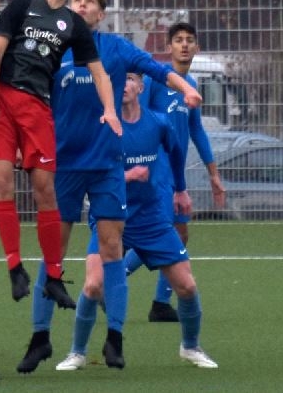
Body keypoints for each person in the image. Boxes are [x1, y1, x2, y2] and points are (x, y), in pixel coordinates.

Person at [16, 0, 203, 373]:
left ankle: (114, 339)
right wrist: (22, 144)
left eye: (89, 2)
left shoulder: (116, 49)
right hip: (64, 167)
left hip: (105, 166)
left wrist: (186, 87)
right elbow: (28, 100)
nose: (82, 5)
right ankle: (39, 338)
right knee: (53, 253)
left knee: (112, 248)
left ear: (100, 15)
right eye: (76, 0)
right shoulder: (52, 51)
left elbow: (157, 70)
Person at [0, 0, 122, 314]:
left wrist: (109, 109)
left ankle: (54, 276)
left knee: (45, 189)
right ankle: (14, 266)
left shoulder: (73, 24)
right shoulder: (22, 5)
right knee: (1, 179)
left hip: (38, 107)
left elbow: (100, 73)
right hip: (3, 100)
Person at [56, 72, 218, 371]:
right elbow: (88, 172)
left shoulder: (158, 123)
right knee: (93, 286)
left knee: (186, 286)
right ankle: (77, 352)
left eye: (130, 79)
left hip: (151, 218)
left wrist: (180, 189)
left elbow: (176, 152)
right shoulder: (102, 126)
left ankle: (190, 347)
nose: (125, 84)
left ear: (141, 87)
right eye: (119, 80)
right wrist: (127, 176)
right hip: (110, 217)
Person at [124, 21, 225, 322]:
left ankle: (160, 303)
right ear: (169, 47)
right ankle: (110, 277)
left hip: (174, 174)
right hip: (155, 171)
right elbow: (137, 116)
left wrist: (213, 173)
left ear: (197, 47)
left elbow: (197, 131)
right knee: (162, 232)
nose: (184, 44)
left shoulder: (190, 85)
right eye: (178, 40)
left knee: (179, 233)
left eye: (189, 40)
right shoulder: (156, 81)